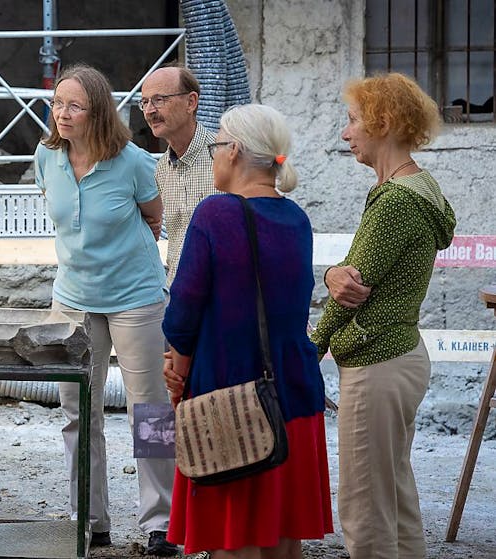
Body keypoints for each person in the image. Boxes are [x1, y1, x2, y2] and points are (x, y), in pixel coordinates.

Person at [162, 104, 334, 558]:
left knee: (232, 542)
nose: (215, 153)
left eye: (217, 144)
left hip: (229, 400)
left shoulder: (215, 214)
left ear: (234, 151)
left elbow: (184, 307)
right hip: (292, 396)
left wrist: (176, 366)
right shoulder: (296, 218)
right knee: (283, 539)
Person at [34, 63, 179, 557]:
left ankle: (161, 522)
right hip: (72, 299)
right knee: (77, 411)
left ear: (98, 112)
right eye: (57, 103)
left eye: (74, 105)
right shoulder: (45, 157)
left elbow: (154, 216)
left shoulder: (135, 162)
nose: (62, 114)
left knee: (151, 410)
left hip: (136, 299)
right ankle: (90, 520)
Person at [311, 73, 456, 559]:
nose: (345, 132)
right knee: (394, 497)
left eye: (353, 120)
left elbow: (351, 289)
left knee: (364, 506)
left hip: (377, 362)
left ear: (384, 122)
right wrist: (335, 272)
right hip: (403, 356)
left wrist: (312, 347)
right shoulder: (423, 188)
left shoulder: (394, 201)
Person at [140, 65, 218, 288]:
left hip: (224, 301)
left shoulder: (226, 157)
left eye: (159, 99)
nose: (149, 111)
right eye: (144, 102)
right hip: (180, 298)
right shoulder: (161, 169)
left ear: (191, 102)